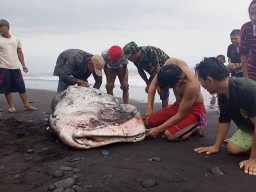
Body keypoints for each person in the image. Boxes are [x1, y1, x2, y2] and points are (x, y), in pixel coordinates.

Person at [194, 57, 256, 176]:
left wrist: (253, 159)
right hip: (250, 128)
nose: (202, 86)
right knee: (233, 148)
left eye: (201, 82)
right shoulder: (223, 92)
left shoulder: (248, 90)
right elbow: (224, 120)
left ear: (209, 80)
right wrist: (216, 146)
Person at [145, 57, 206, 141]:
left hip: (195, 110)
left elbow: (181, 114)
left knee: (170, 135)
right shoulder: (170, 64)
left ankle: (197, 126)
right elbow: (153, 84)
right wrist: (149, 108)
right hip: (178, 106)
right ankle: (178, 125)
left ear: (179, 81)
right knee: (150, 122)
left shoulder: (192, 85)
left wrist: (158, 129)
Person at [0, 19, 38, 113]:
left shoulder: (16, 39)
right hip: (3, 68)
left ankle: (26, 104)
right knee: (7, 88)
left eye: (1, 26)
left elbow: (19, 52)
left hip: (15, 67)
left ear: (7, 27)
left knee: (21, 87)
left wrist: (24, 65)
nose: (0, 28)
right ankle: (11, 106)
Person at [123, 41, 170, 108]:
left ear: (135, 53)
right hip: (155, 71)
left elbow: (157, 67)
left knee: (162, 90)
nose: (129, 60)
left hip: (165, 69)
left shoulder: (150, 51)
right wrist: (147, 83)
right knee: (149, 89)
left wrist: (159, 84)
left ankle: (164, 111)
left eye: (129, 57)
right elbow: (140, 70)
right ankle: (150, 108)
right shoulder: (135, 59)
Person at [240, 0, 256, 80]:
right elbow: (243, 54)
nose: (253, 17)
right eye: (251, 13)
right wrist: (246, 79)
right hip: (252, 70)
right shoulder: (246, 28)